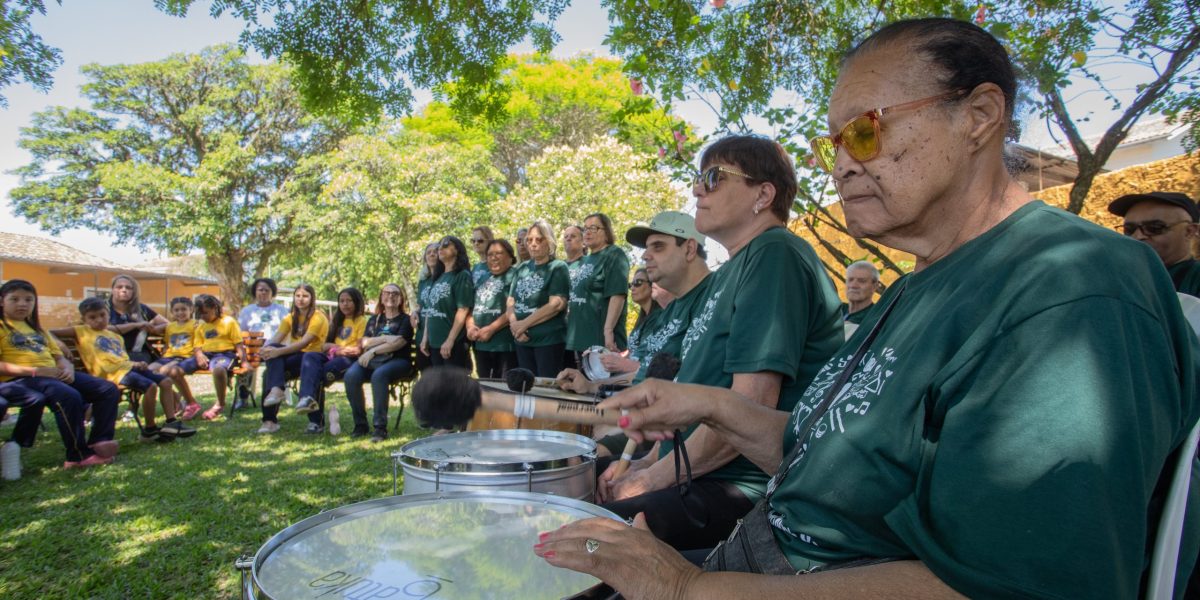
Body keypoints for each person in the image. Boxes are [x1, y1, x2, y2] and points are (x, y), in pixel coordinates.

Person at [536, 18, 1200, 599]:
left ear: (978, 116)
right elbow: (816, 457)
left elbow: (1021, 584)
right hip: (763, 558)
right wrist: (709, 405)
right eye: (832, 147)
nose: (841, 166)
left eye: (864, 132)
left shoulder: (1072, 286)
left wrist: (685, 588)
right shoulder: (920, 286)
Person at [584, 135, 844, 552]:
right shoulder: (728, 275)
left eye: (713, 177)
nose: (696, 189)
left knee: (588, 531)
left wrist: (648, 480)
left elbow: (749, 407)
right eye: (698, 177)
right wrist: (637, 463)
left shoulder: (774, 254)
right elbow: (691, 405)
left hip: (745, 484)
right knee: (583, 478)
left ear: (763, 194)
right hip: (696, 470)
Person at [0, 280, 119, 469]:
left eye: (28, 300)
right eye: (14, 299)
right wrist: (34, 371)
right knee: (68, 396)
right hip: (20, 379)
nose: (22, 304)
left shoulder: (38, 329)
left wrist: (67, 368)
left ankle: (99, 440)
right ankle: (77, 456)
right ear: (1, 301)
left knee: (107, 389)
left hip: (52, 375)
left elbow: (58, 355)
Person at [53, 298, 195, 441]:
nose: (99, 320)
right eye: (92, 317)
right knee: (151, 386)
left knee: (166, 382)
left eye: (102, 315)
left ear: (108, 314)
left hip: (127, 368)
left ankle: (171, 423)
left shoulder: (115, 336)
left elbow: (120, 359)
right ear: (84, 319)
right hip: (111, 374)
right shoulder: (81, 331)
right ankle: (150, 430)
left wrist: (136, 364)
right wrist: (62, 346)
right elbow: (49, 333)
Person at [344, 283, 414, 442]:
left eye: (395, 294)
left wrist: (374, 350)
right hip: (372, 359)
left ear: (401, 299)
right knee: (351, 376)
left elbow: (399, 342)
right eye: (387, 293)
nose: (391, 296)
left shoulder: (406, 320)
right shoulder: (374, 320)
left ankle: (380, 428)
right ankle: (360, 425)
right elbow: (365, 342)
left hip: (398, 361)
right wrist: (384, 339)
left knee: (379, 376)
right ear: (381, 297)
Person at [257, 284, 329, 434]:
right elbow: (276, 338)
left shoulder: (318, 317)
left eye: (305, 296)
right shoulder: (290, 318)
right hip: (297, 357)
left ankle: (313, 416)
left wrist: (277, 352)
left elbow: (304, 343)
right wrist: (266, 348)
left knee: (300, 357)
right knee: (272, 351)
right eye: (298, 296)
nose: (300, 299)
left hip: (314, 357)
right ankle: (270, 416)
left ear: (312, 298)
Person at [295, 287, 367, 435]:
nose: (345, 304)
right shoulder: (336, 320)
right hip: (332, 357)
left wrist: (336, 349)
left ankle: (316, 422)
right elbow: (324, 346)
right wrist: (337, 348)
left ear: (357, 302)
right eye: (342, 301)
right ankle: (306, 399)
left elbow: (357, 350)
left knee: (317, 375)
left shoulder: (361, 321)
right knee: (310, 357)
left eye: (349, 301)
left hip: (349, 360)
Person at [507, 220, 570, 378]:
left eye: (538, 239)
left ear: (549, 242)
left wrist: (523, 325)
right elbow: (510, 302)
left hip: (548, 341)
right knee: (526, 388)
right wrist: (515, 326)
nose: (533, 244)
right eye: (529, 240)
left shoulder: (557, 267)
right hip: (521, 339)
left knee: (545, 389)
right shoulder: (522, 268)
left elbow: (556, 305)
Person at [566, 213, 631, 363]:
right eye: (585, 228)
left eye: (593, 228)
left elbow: (618, 295)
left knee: (602, 385)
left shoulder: (614, 254)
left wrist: (608, 331)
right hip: (579, 339)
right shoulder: (585, 260)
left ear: (606, 232)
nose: (587, 232)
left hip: (602, 341)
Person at [1108, 191, 1200, 297]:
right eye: (1129, 229)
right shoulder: (1116, 279)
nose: (1138, 236)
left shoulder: (1194, 280)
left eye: (1154, 228)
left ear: (1189, 231)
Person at [170, 294, 246, 420]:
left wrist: (244, 362)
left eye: (205, 313)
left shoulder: (229, 322)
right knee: (174, 372)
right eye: (200, 314)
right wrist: (199, 355)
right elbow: (197, 347)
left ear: (215, 308)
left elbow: (239, 344)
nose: (203, 317)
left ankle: (219, 404)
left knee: (218, 370)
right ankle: (191, 403)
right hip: (206, 355)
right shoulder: (201, 326)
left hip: (225, 354)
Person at [420, 236, 474, 369]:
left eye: (445, 245)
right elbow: (429, 310)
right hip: (434, 343)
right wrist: (425, 337)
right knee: (440, 386)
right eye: (439, 245)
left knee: (453, 386)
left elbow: (463, 309)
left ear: (457, 250)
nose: (440, 248)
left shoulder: (462, 275)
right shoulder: (437, 277)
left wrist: (450, 340)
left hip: (452, 344)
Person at [236, 278, 290, 410]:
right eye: (260, 290)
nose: (263, 293)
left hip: (276, 350)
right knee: (242, 361)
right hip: (253, 349)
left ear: (273, 292)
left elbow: (288, 333)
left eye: (267, 290)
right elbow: (242, 334)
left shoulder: (282, 310)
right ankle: (243, 397)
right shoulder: (247, 311)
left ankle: (274, 395)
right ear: (255, 292)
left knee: (276, 361)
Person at [468, 239, 518, 378]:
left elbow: (515, 307)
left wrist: (491, 328)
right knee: (485, 387)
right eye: (490, 254)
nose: (494, 258)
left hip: (504, 345)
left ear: (510, 257)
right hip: (480, 344)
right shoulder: (482, 278)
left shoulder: (515, 275)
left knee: (504, 389)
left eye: (499, 253)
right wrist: (470, 327)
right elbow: (471, 308)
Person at [150, 296, 203, 420]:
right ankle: (176, 399)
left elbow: (199, 343)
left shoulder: (195, 325)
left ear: (191, 310)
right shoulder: (170, 326)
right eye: (177, 310)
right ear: (172, 312)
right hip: (169, 356)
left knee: (164, 371)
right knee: (149, 371)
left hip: (185, 356)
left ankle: (191, 403)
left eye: (184, 309)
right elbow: (167, 344)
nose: (180, 313)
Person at [106, 274, 168, 363]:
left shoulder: (142, 309)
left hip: (138, 353)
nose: (124, 290)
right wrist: (135, 325)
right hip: (111, 353)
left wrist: (152, 329)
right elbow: (99, 328)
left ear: (133, 291)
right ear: (112, 290)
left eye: (128, 288)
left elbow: (167, 324)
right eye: (119, 287)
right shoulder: (103, 308)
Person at [412, 241, 440, 372]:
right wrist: (415, 312)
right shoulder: (423, 281)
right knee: (426, 379)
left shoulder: (444, 279)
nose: (432, 254)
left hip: (436, 337)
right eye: (428, 252)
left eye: (435, 251)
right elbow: (422, 305)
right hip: (421, 333)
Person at [841, 260, 880, 339]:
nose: (854, 285)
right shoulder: (836, 310)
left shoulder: (877, 317)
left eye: (862, 281)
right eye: (850, 280)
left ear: (875, 286)